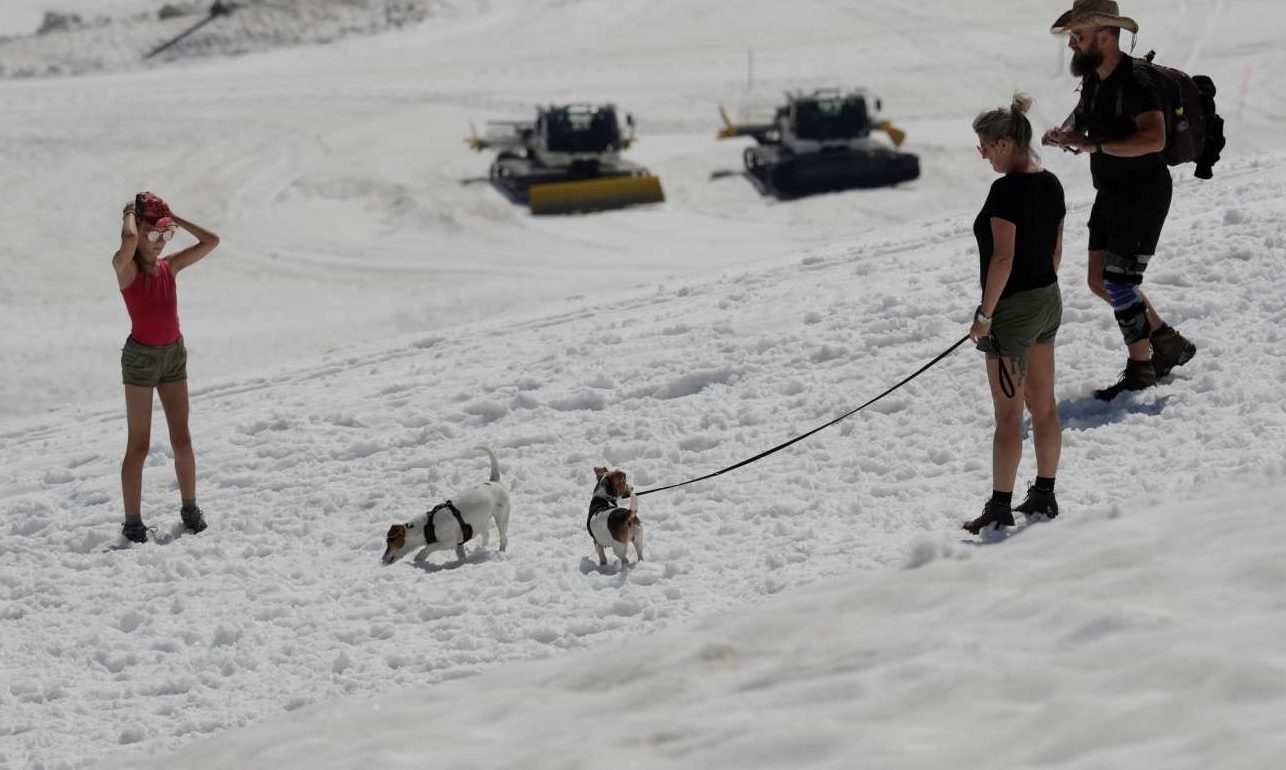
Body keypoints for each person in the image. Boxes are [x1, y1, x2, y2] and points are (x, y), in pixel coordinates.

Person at [1042, 0, 1196, 401]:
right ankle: (1166, 340)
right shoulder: (1096, 78)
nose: (1072, 44)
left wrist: (1094, 145)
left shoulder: (1139, 81)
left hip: (1143, 193)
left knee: (1120, 282)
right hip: (1110, 190)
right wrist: (1065, 133)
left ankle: (1142, 369)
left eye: (1079, 35)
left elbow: (1154, 139)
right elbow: (1084, 113)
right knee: (1099, 280)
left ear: (1106, 36)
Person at [963, 95, 1065, 535]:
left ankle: (1000, 506)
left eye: (985, 145)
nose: (983, 154)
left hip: (1013, 310)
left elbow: (1003, 259)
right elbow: (1056, 251)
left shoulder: (1005, 192)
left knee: (1008, 416)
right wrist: (1038, 291)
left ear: (1006, 143)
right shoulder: (1052, 182)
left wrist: (986, 315)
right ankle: (1045, 492)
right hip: (1047, 298)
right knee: (1044, 407)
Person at [113, 192, 220, 543]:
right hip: (141, 360)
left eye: (166, 235)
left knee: (182, 437)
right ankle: (133, 522)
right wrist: (130, 213)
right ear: (138, 229)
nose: (160, 243)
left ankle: (190, 508)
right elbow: (129, 239)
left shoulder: (169, 266)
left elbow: (211, 240)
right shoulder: (125, 267)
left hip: (173, 355)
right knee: (139, 446)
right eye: (153, 234)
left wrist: (175, 217)